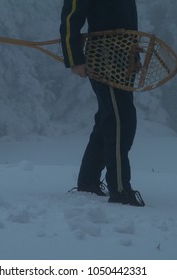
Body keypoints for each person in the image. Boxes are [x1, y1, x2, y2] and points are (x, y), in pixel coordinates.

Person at [60, 0, 145, 206]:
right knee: (119, 121)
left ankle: (88, 182)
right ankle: (120, 189)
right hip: (104, 54)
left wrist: (132, 54)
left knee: (111, 118)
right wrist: (75, 58)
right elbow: (71, 16)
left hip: (124, 53)